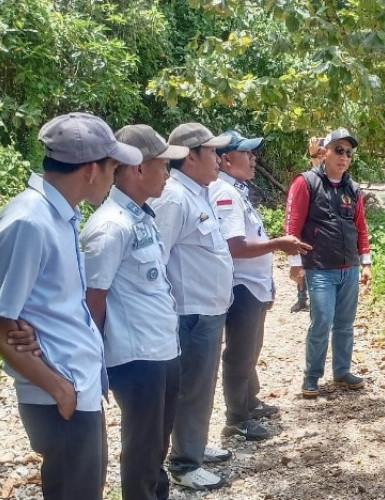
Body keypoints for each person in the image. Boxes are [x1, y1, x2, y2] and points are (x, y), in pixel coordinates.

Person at [0, 112, 142, 500]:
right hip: (58, 394)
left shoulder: (60, 215)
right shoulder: (30, 221)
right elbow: (0, 320)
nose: (115, 176)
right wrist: (60, 389)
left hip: (76, 386)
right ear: (92, 170)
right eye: (114, 166)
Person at [79, 125, 188, 500]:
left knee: (157, 444)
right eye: (163, 165)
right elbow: (93, 300)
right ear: (138, 168)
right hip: (137, 357)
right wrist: (94, 362)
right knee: (142, 450)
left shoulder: (144, 216)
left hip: (162, 349)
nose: (168, 173)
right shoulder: (110, 226)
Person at [209, 131, 311, 441]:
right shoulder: (223, 193)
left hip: (253, 284)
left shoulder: (236, 190)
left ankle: (250, 401)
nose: (254, 159)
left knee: (252, 348)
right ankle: (236, 417)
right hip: (240, 285)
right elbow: (236, 247)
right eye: (247, 153)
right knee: (240, 353)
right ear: (226, 159)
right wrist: (280, 244)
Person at [148, 122, 233, 491]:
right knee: (191, 389)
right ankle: (184, 463)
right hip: (190, 314)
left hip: (207, 311)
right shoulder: (173, 197)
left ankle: (192, 446)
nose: (218, 159)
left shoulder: (197, 193)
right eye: (212, 152)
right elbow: (157, 260)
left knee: (201, 386)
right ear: (190, 156)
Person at [284, 128, 371, 399]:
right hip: (320, 267)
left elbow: (361, 227)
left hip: (349, 267)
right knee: (321, 321)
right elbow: (292, 225)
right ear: (325, 152)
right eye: (338, 150)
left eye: (348, 153)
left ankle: (342, 371)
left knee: (344, 324)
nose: (344, 157)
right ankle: (312, 376)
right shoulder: (306, 182)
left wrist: (365, 261)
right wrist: (294, 263)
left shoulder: (352, 188)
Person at [290, 136, 326, 313]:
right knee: (302, 267)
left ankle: (310, 301)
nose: (322, 157)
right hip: (307, 234)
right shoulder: (306, 180)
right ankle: (301, 299)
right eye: (318, 154)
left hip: (323, 238)